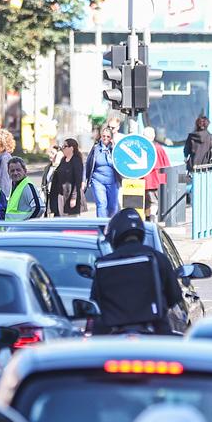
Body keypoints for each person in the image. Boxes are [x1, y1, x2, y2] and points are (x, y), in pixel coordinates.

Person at [86, 207, 183, 335]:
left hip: (111, 334)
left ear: (114, 235)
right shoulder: (158, 258)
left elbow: (95, 301)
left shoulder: (103, 264)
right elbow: (174, 296)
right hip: (155, 330)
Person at [85, 125, 121, 218]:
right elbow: (88, 163)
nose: (105, 138)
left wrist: (114, 148)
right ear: (101, 136)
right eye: (103, 136)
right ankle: (102, 225)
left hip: (112, 181)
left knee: (113, 206)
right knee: (101, 203)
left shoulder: (116, 149)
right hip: (97, 181)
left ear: (111, 138)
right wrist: (84, 180)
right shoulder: (96, 148)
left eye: (108, 136)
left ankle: (111, 225)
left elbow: (121, 163)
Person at [49, 137, 85, 216]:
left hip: (71, 195)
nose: (62, 148)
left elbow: (77, 181)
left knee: (71, 222)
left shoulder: (76, 161)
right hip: (61, 195)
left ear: (71, 148)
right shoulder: (63, 160)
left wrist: (74, 197)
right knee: (60, 219)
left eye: (64, 146)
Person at [4, 155, 44, 221]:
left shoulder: (27, 186)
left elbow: (39, 208)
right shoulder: (15, 185)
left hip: (21, 229)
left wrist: (27, 225)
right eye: (12, 171)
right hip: (13, 229)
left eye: (18, 170)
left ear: (25, 171)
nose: (15, 173)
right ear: (8, 172)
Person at [143, 133, 170, 219]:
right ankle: (152, 218)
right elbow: (166, 164)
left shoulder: (142, 147)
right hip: (157, 180)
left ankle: (148, 218)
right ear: (153, 136)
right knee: (155, 202)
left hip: (145, 180)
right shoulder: (158, 148)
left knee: (147, 202)